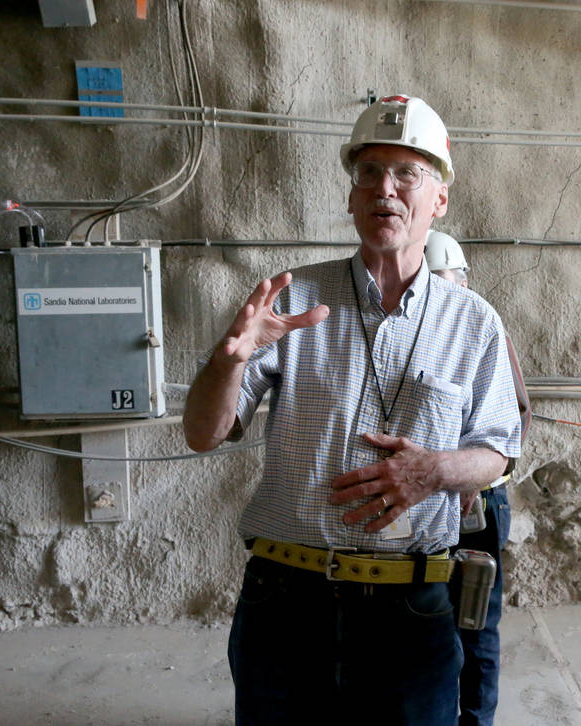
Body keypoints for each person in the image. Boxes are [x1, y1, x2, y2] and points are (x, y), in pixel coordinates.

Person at [183, 94, 523, 726]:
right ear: (350, 195)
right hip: (287, 599)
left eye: (406, 174)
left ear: (439, 200)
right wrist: (228, 361)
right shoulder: (294, 299)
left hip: (413, 606)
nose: (384, 189)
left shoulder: (473, 323)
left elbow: (499, 450)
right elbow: (204, 434)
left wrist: (435, 472)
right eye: (368, 172)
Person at [425, 229, 531, 726]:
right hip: (426, 506)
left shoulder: (483, 330)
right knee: (427, 623)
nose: (436, 295)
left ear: (464, 281)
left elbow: (517, 416)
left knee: (475, 625)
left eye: (443, 282)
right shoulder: (407, 338)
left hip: (480, 506)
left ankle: (475, 721)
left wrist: (472, 474)